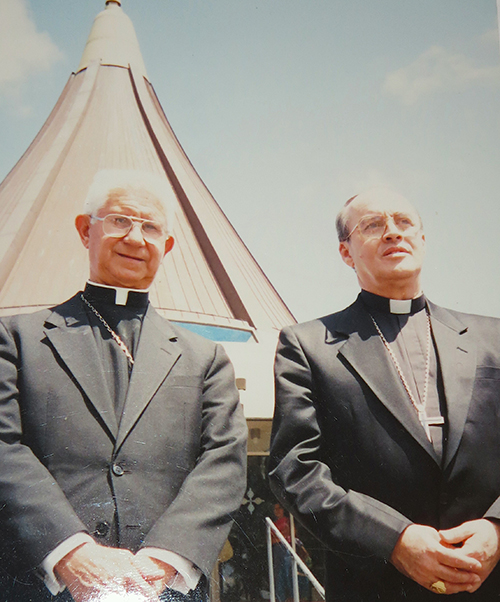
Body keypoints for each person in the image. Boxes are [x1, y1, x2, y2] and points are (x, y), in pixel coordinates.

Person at [0, 169, 247, 602]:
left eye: (150, 227)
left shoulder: (205, 358)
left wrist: (164, 559)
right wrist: (71, 552)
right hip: (46, 584)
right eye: (119, 221)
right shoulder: (16, 339)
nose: (135, 238)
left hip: (164, 586)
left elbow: (224, 464)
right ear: (85, 230)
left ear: (166, 246)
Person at [269, 187, 500, 601]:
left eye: (404, 222)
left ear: (423, 240)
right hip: (375, 585)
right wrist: (395, 540)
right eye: (373, 225)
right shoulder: (308, 346)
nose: (392, 232)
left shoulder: (493, 339)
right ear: (346, 252)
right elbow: (295, 470)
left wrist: (498, 528)